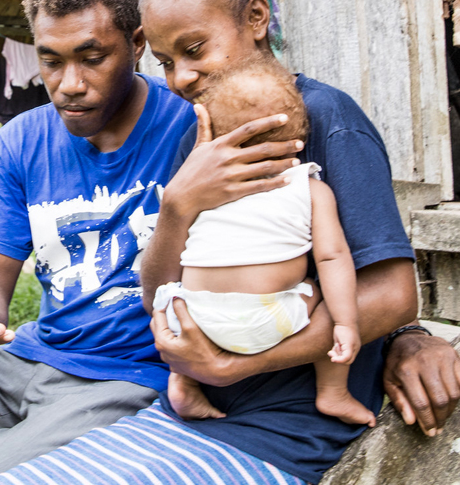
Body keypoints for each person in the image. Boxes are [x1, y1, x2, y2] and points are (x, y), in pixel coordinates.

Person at [0, 0, 460, 485]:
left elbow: (381, 281)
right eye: (170, 61)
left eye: (194, 50)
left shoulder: (289, 119)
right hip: (164, 384)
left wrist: (406, 337)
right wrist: (180, 206)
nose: (182, 76)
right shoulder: (193, 133)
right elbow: (160, 286)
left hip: (200, 395)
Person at [152, 62, 377, 427]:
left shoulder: (199, 192)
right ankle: (333, 391)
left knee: (174, 290)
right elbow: (333, 255)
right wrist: (346, 324)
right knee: (313, 290)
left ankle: (183, 383)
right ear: (297, 138)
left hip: (190, 322)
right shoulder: (310, 189)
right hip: (268, 320)